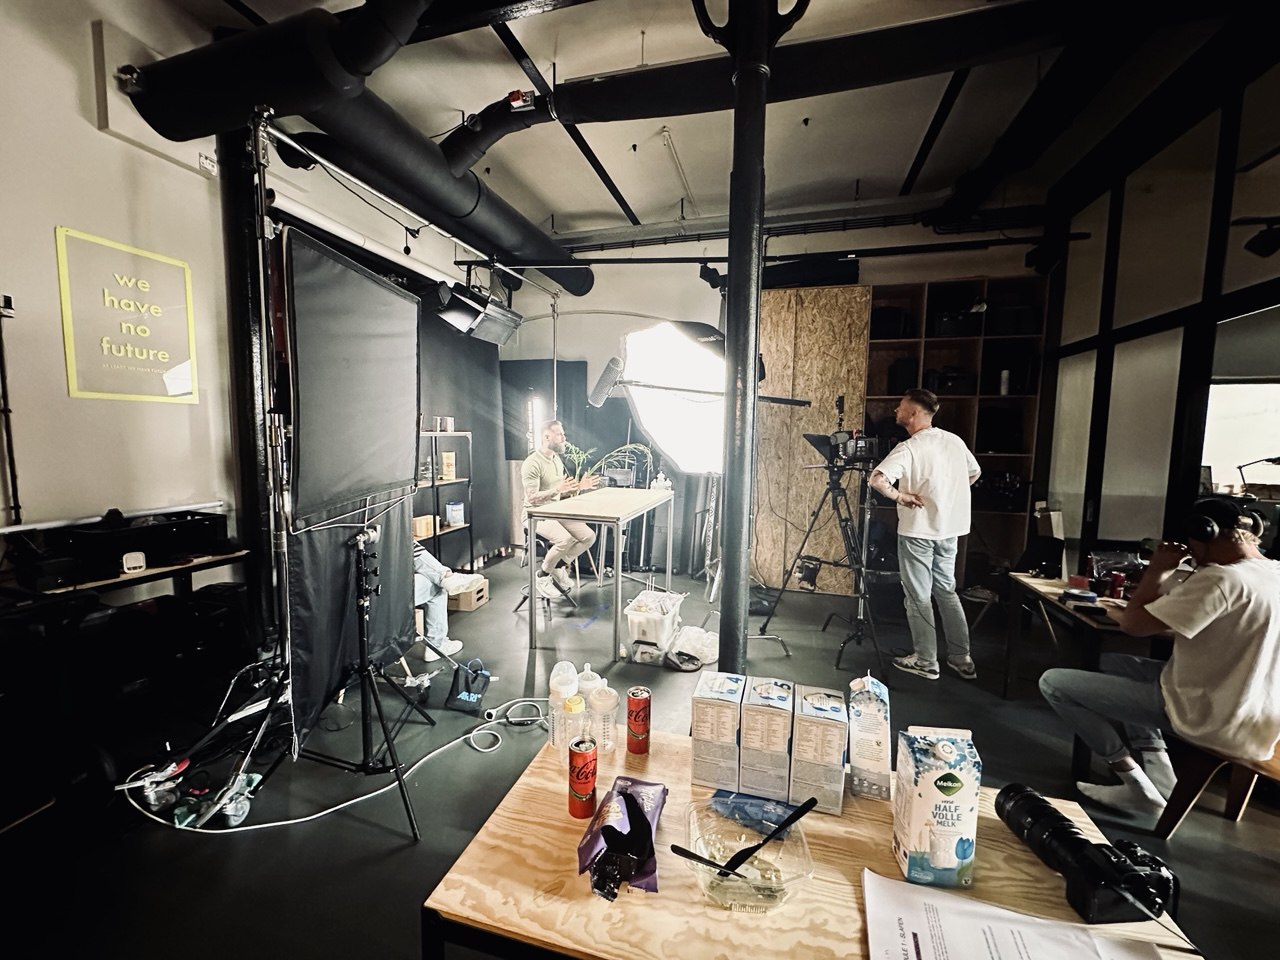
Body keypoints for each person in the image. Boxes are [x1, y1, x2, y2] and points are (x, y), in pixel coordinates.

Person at [1040, 497, 1280, 818]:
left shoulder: (1223, 579)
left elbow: (1133, 625)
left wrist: (1157, 570)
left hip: (1208, 717)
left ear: (1205, 533)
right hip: (1257, 722)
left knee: (1054, 684)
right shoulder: (1273, 572)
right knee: (1113, 664)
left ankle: (1135, 785)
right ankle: (1159, 769)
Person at [868, 388, 981, 681]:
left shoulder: (909, 448)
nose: (896, 411)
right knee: (946, 591)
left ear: (914, 413)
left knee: (918, 595)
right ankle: (961, 658)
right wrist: (947, 495)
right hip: (949, 529)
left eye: (900, 406)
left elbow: (877, 479)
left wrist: (900, 496)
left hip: (918, 529)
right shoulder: (954, 441)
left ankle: (926, 660)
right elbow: (974, 472)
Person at [521, 419, 600, 593]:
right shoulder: (532, 463)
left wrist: (580, 486)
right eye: (559, 435)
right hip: (534, 515)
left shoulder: (556, 460)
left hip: (555, 511)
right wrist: (558, 489)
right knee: (565, 539)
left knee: (588, 536)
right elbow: (532, 499)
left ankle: (558, 566)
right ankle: (542, 576)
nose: (564, 438)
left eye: (563, 434)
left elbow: (560, 492)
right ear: (546, 437)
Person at [412, 541, 472, 661]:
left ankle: (445, 576)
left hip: (375, 598)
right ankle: (436, 646)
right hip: (387, 598)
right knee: (438, 586)